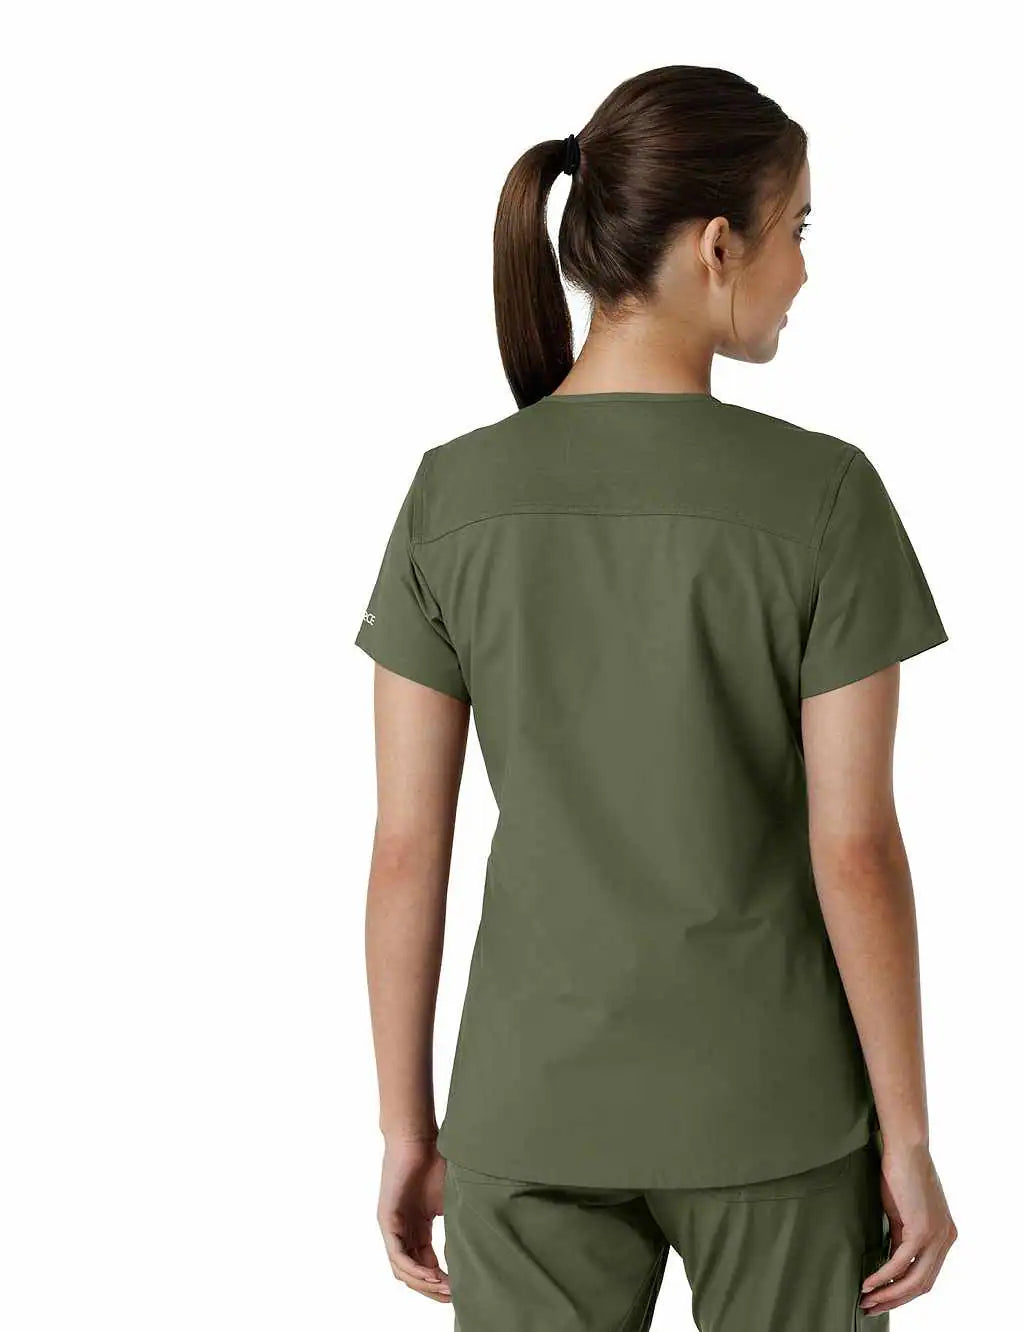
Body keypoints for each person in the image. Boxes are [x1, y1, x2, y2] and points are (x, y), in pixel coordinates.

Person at [354, 63, 958, 1329]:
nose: (803, 270)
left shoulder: (450, 497)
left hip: (530, 1109)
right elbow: (853, 848)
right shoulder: (825, 497)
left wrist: (408, 1126)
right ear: (716, 244)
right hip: (776, 1110)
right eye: (797, 230)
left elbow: (408, 848)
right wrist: (905, 1138)